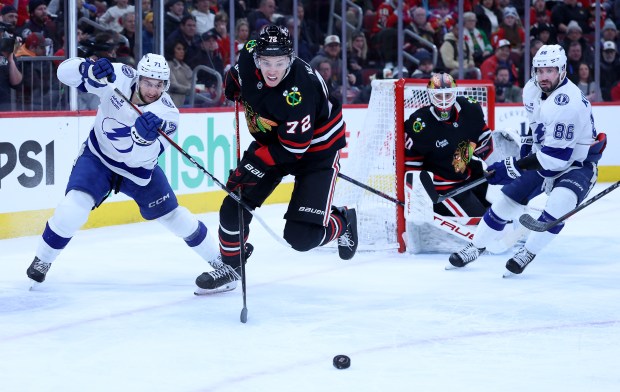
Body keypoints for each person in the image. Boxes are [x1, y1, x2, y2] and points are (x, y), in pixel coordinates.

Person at [27, 53, 223, 290]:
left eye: (158, 85)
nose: (152, 90)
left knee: (175, 218)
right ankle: (43, 260)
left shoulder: (168, 115)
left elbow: (140, 159)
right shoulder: (117, 76)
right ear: (138, 77)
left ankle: (221, 261)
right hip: (98, 157)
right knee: (72, 208)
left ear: (165, 85)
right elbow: (63, 74)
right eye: (148, 82)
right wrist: (88, 70)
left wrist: (142, 140)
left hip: (138, 172)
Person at [194, 25, 358, 293]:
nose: (272, 70)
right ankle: (231, 268)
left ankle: (343, 221)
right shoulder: (249, 55)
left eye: (279, 63)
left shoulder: (299, 91)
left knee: (302, 238)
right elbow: (238, 71)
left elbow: (293, 149)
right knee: (232, 206)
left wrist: (253, 164)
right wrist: (234, 82)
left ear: (290, 59)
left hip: (316, 150)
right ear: (257, 58)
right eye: (267, 62)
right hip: (273, 140)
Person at [449, 44, 603, 275]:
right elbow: (536, 127)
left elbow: (556, 158)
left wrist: (512, 166)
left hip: (576, 164)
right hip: (545, 156)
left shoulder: (568, 104)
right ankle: (476, 246)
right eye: (539, 71)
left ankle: (528, 252)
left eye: (549, 71)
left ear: (562, 70)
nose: (543, 76)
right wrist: (525, 153)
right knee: (506, 201)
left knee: (559, 205)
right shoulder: (531, 89)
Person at [404, 72, 494, 219]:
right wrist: (417, 196)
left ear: (455, 93)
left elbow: (485, 139)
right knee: (481, 221)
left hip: (470, 179)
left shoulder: (470, 108)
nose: (444, 102)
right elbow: (411, 164)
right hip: (442, 189)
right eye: (439, 96)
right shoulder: (419, 124)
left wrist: (483, 161)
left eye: (448, 95)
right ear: (431, 96)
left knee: (499, 210)